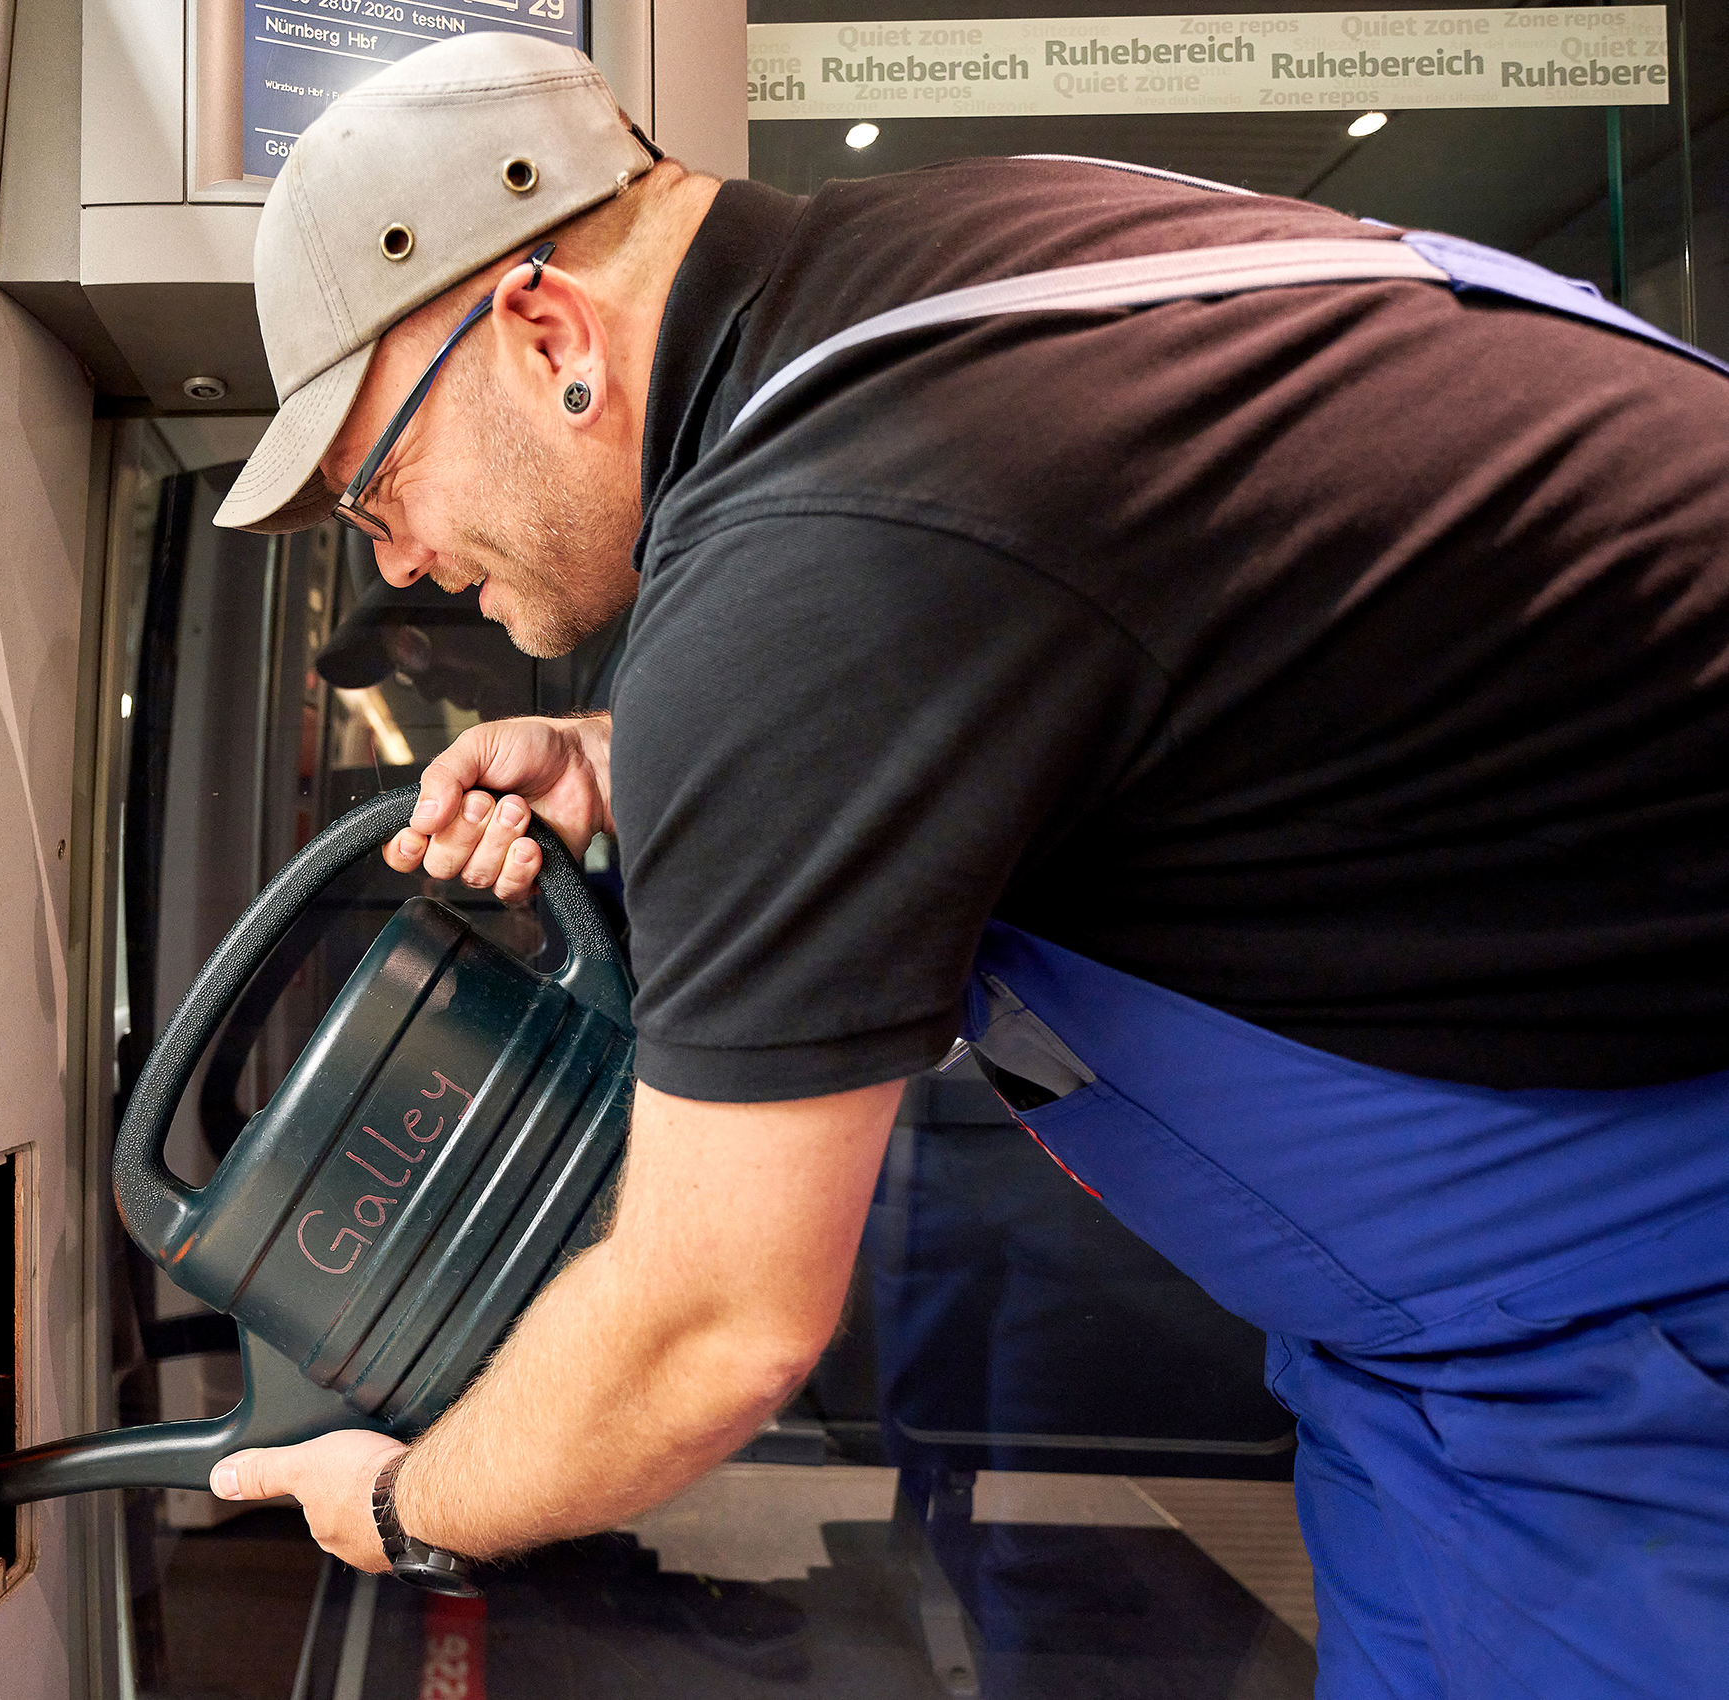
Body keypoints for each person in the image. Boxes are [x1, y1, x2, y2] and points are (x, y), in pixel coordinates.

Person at [199, 31, 1729, 1698]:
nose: (403, 558)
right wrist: (638, 763)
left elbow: (710, 1327)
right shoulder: (985, 271)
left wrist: (415, 1504)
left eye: (374, 489)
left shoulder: (827, 537)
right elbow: (1077, 648)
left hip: (1636, 1342)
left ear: (547, 333)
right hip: (1457, 1361)